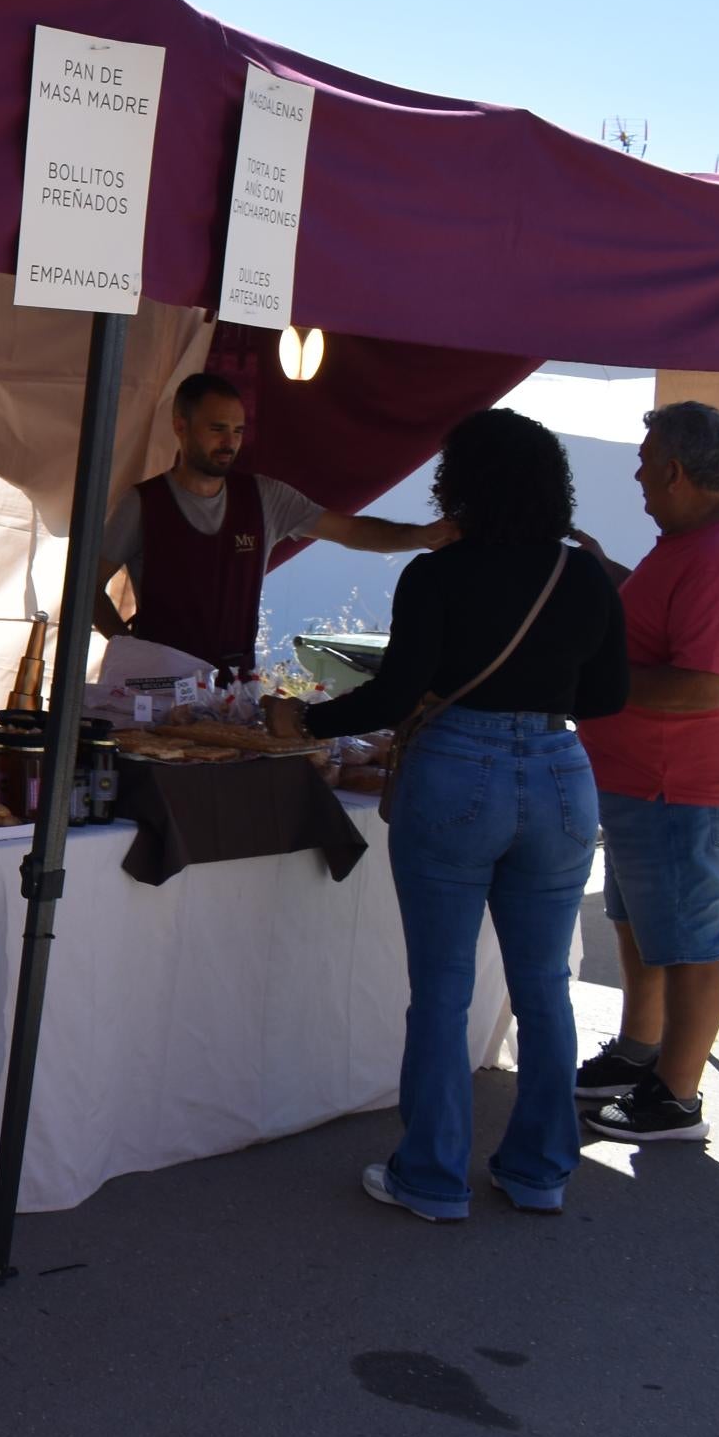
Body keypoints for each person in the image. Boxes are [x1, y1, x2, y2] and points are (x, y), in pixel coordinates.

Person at [264, 410, 627, 1219]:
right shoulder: (587, 574)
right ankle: (540, 1172)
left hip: (459, 769)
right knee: (545, 986)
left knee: (442, 987)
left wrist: (303, 719)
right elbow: (607, 697)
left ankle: (432, 1177)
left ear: (460, 483)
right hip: (563, 774)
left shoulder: (438, 573)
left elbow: (394, 696)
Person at [569, 402, 719, 1145]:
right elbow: (670, 621)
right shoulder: (698, 541)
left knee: (689, 943)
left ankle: (677, 1097)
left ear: (677, 471)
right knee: (643, 925)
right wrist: (611, 573)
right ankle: (641, 1051)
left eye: (644, 458)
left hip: (683, 784)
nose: (636, 472)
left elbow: (705, 685)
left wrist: (591, 683)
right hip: (651, 783)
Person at [95, 371, 452, 675]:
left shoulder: (264, 497)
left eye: (237, 430)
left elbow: (350, 530)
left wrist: (422, 536)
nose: (229, 442)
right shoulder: (143, 503)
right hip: (158, 685)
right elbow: (86, 589)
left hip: (233, 686)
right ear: (180, 427)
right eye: (217, 429)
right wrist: (130, 649)